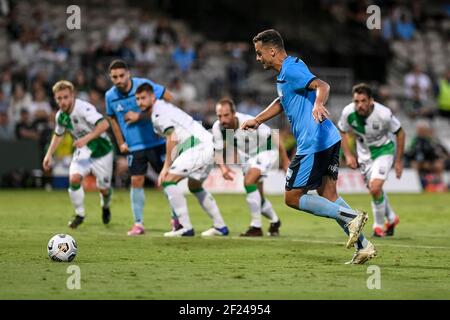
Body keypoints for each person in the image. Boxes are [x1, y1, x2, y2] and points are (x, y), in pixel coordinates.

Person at [241, 29, 375, 264]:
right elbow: (283, 100)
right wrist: (258, 119)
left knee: (292, 197)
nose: (258, 58)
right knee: (329, 195)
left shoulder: (291, 69)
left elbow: (322, 85)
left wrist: (318, 104)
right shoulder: (288, 70)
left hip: (313, 142)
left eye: (260, 53)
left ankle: (351, 215)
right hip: (328, 138)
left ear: (272, 51)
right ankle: (363, 246)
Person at [135, 83, 229, 237]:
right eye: (137, 99)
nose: (140, 102)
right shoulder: (162, 109)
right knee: (195, 186)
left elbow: (172, 137)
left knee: (168, 180)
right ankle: (220, 226)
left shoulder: (159, 113)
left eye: (143, 98)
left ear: (152, 97)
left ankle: (185, 227)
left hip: (198, 147)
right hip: (206, 144)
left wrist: (166, 167)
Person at [105, 59, 174, 236]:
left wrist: (144, 117)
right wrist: (120, 142)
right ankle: (138, 224)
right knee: (136, 181)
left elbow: (169, 98)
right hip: (134, 146)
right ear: (110, 78)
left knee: (167, 180)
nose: (119, 80)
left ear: (128, 73)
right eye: (114, 77)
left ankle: (176, 218)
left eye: (121, 75)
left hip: (157, 141)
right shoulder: (110, 96)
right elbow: (112, 119)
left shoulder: (144, 85)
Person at [213, 98, 290, 236]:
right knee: (257, 195)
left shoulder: (248, 122)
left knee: (248, 181)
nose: (222, 119)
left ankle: (256, 227)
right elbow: (217, 150)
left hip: (266, 150)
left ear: (234, 113)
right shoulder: (218, 127)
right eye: (219, 116)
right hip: (247, 156)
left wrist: (285, 161)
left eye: (226, 115)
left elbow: (274, 136)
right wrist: (223, 168)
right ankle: (275, 221)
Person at [43, 80, 113, 228]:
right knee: (74, 179)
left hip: (102, 150)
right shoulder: (60, 116)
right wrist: (49, 154)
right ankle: (79, 214)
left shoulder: (83, 108)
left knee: (104, 189)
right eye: (59, 98)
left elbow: (105, 124)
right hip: (83, 151)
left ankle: (105, 206)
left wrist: (86, 138)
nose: (62, 101)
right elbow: (58, 134)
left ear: (72, 95)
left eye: (65, 97)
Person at [338, 83, 405, 237]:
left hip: (384, 151)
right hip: (364, 156)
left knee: (375, 188)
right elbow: (342, 130)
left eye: (363, 101)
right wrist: (348, 155)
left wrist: (399, 161)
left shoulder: (384, 114)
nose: (359, 105)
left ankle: (378, 227)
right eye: (356, 101)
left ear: (371, 101)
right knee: (374, 190)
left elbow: (400, 133)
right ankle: (392, 218)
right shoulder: (348, 112)